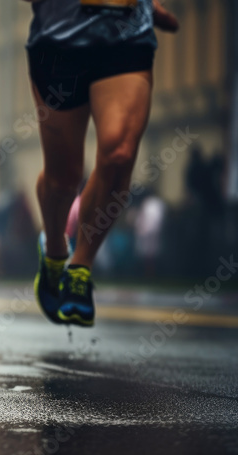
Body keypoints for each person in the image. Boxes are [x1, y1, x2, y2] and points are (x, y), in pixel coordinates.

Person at [25, 0, 178, 327]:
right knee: (64, 178)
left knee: (120, 154)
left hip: (127, 37)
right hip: (59, 40)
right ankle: (54, 251)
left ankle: (80, 268)